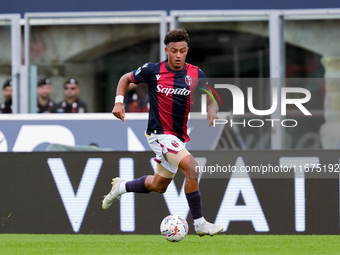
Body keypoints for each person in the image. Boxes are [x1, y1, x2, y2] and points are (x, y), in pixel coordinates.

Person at [102, 28, 223, 236]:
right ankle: (200, 223)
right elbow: (125, 78)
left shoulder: (195, 73)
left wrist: (212, 109)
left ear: (187, 51)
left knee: (159, 185)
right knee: (193, 169)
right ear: (166, 50)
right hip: (159, 134)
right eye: (174, 50)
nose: (178, 55)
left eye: (182, 51)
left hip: (177, 138)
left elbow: (209, 94)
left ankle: (121, 187)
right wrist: (119, 103)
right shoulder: (153, 71)